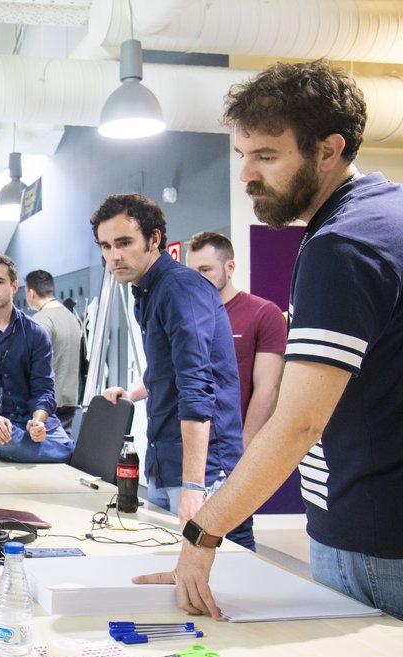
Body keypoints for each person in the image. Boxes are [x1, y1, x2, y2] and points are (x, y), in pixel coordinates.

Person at [136, 60, 403, 621]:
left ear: (328, 150)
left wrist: (203, 532)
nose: (245, 175)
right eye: (242, 155)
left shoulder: (343, 245)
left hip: (374, 536)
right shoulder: (387, 214)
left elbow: (299, 421)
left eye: (267, 155)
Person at [92, 194, 253, 550]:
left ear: (154, 239)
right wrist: (132, 393)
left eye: (124, 243)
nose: (113, 256)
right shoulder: (146, 291)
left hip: (204, 469)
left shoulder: (180, 288)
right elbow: (166, 367)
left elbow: (196, 387)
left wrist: (195, 486)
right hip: (165, 459)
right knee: (174, 573)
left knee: (225, 577)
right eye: (106, 246)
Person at [0, 253, 74, 464]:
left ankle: (51, 449)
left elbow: (44, 387)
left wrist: (38, 422)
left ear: (14, 286)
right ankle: (66, 454)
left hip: (31, 419)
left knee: (44, 440)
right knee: (6, 442)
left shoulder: (36, 333)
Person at [185, 232, 286, 446]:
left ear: (229, 267)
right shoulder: (186, 316)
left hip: (230, 446)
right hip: (188, 443)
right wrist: (131, 393)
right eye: (192, 272)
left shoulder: (264, 313)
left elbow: (266, 390)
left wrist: (242, 450)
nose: (197, 279)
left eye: (205, 270)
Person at [24, 269, 82, 431]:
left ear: (31, 293)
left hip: (45, 406)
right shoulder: (72, 318)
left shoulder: (40, 320)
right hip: (69, 400)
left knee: (42, 452)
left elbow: (30, 364)